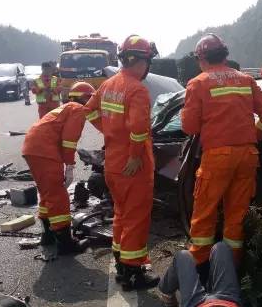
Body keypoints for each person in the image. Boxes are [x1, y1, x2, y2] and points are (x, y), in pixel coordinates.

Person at [181, 33, 262, 271]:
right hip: (247, 156)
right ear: (224, 55)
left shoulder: (198, 83)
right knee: (236, 218)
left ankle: (200, 271)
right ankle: (230, 272)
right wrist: (256, 135)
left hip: (217, 158)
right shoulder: (245, 80)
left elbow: (189, 127)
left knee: (204, 216)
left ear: (201, 58)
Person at [84, 34, 160, 291]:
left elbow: (89, 110)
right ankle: (133, 273)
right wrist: (136, 155)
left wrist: (108, 131)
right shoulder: (137, 89)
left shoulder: (109, 84)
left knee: (121, 215)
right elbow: (139, 129)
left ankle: (121, 264)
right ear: (142, 61)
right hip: (133, 167)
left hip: (113, 163)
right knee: (136, 220)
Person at [21, 82, 95, 254]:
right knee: (58, 195)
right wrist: (69, 165)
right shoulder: (77, 109)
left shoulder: (68, 107)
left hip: (34, 148)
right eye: (91, 99)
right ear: (86, 97)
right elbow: (69, 140)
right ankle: (66, 243)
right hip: (44, 150)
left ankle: (48, 235)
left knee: (47, 193)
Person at [157, 242, 242, 307]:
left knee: (183, 256)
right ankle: (211, 290)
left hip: (198, 304)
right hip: (228, 302)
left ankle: (166, 294)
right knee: (221, 248)